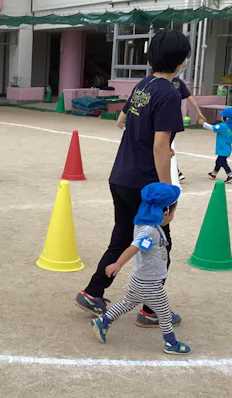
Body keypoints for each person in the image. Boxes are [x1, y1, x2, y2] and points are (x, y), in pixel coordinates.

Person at [74, 30, 191, 329]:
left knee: (122, 236)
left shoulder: (143, 85)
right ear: (180, 61)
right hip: (145, 184)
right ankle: (152, 309)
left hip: (122, 176)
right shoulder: (169, 92)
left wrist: (159, 144)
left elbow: (130, 125)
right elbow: (159, 146)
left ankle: (93, 292)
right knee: (160, 242)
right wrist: (168, 193)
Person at [91, 182, 190, 355]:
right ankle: (171, 343)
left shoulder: (147, 226)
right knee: (164, 313)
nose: (173, 216)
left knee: (127, 303)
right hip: (150, 282)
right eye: (173, 212)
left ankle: (104, 321)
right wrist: (118, 264)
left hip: (140, 279)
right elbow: (134, 247)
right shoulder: (149, 231)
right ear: (165, 212)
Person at [117, 74, 206, 182]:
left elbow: (121, 119)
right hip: (160, 128)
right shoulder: (166, 90)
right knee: (162, 151)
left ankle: (174, 172)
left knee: (161, 150)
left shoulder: (145, 84)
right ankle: (173, 174)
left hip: (125, 173)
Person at [202, 108, 232, 183]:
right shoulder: (230, 127)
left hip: (222, 148)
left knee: (222, 161)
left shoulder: (222, 126)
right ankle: (214, 173)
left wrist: (203, 123)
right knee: (218, 161)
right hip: (226, 148)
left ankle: (230, 174)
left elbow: (211, 127)